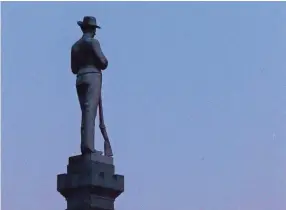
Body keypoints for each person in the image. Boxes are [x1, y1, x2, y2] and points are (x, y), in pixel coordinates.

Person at [71, 16, 108, 154]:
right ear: (92, 29)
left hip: (80, 77)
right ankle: (88, 146)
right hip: (93, 76)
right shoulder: (93, 43)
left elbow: (73, 69)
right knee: (90, 112)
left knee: (85, 112)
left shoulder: (75, 46)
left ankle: (85, 145)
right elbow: (103, 63)